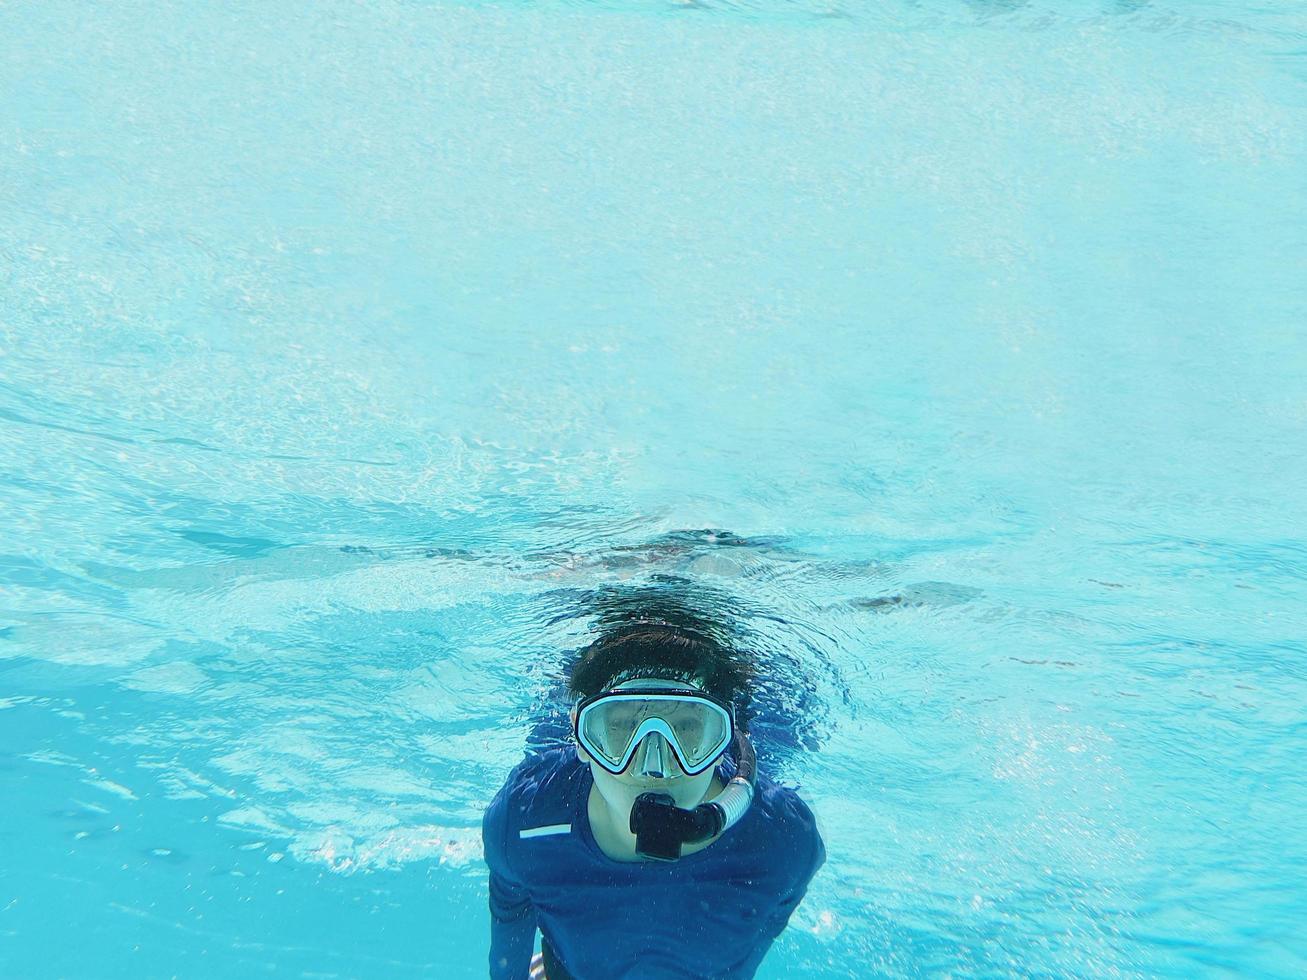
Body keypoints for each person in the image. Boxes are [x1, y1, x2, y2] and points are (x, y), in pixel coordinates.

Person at [482, 621, 825, 979]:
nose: (655, 767)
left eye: (688, 727)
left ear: (723, 738)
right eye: (620, 727)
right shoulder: (526, 818)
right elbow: (511, 908)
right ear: (581, 739)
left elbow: (767, 922)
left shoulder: (781, 841)